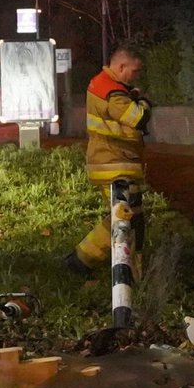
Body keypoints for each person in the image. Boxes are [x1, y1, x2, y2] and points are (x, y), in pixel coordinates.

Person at [66, 46, 150, 276]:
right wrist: (143, 102)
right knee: (126, 218)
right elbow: (138, 118)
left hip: (115, 162)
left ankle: (131, 272)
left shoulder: (107, 86)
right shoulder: (111, 90)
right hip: (114, 164)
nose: (136, 76)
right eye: (135, 71)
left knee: (133, 218)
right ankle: (84, 261)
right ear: (121, 67)